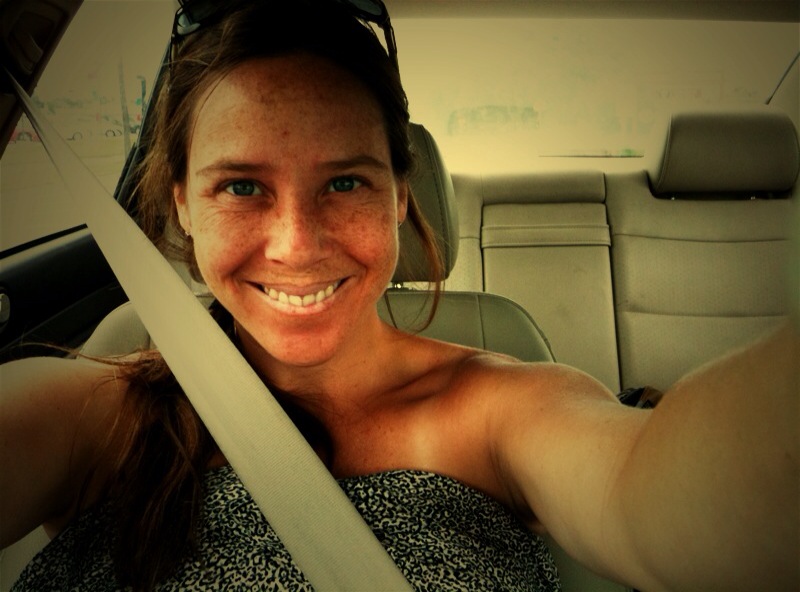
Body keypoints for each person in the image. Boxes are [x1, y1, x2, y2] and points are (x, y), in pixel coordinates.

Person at [1, 1, 797, 590]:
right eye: (241, 186)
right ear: (182, 203)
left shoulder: (501, 411)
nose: (296, 244)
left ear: (398, 196)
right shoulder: (99, 417)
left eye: (346, 181)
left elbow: (657, 497)